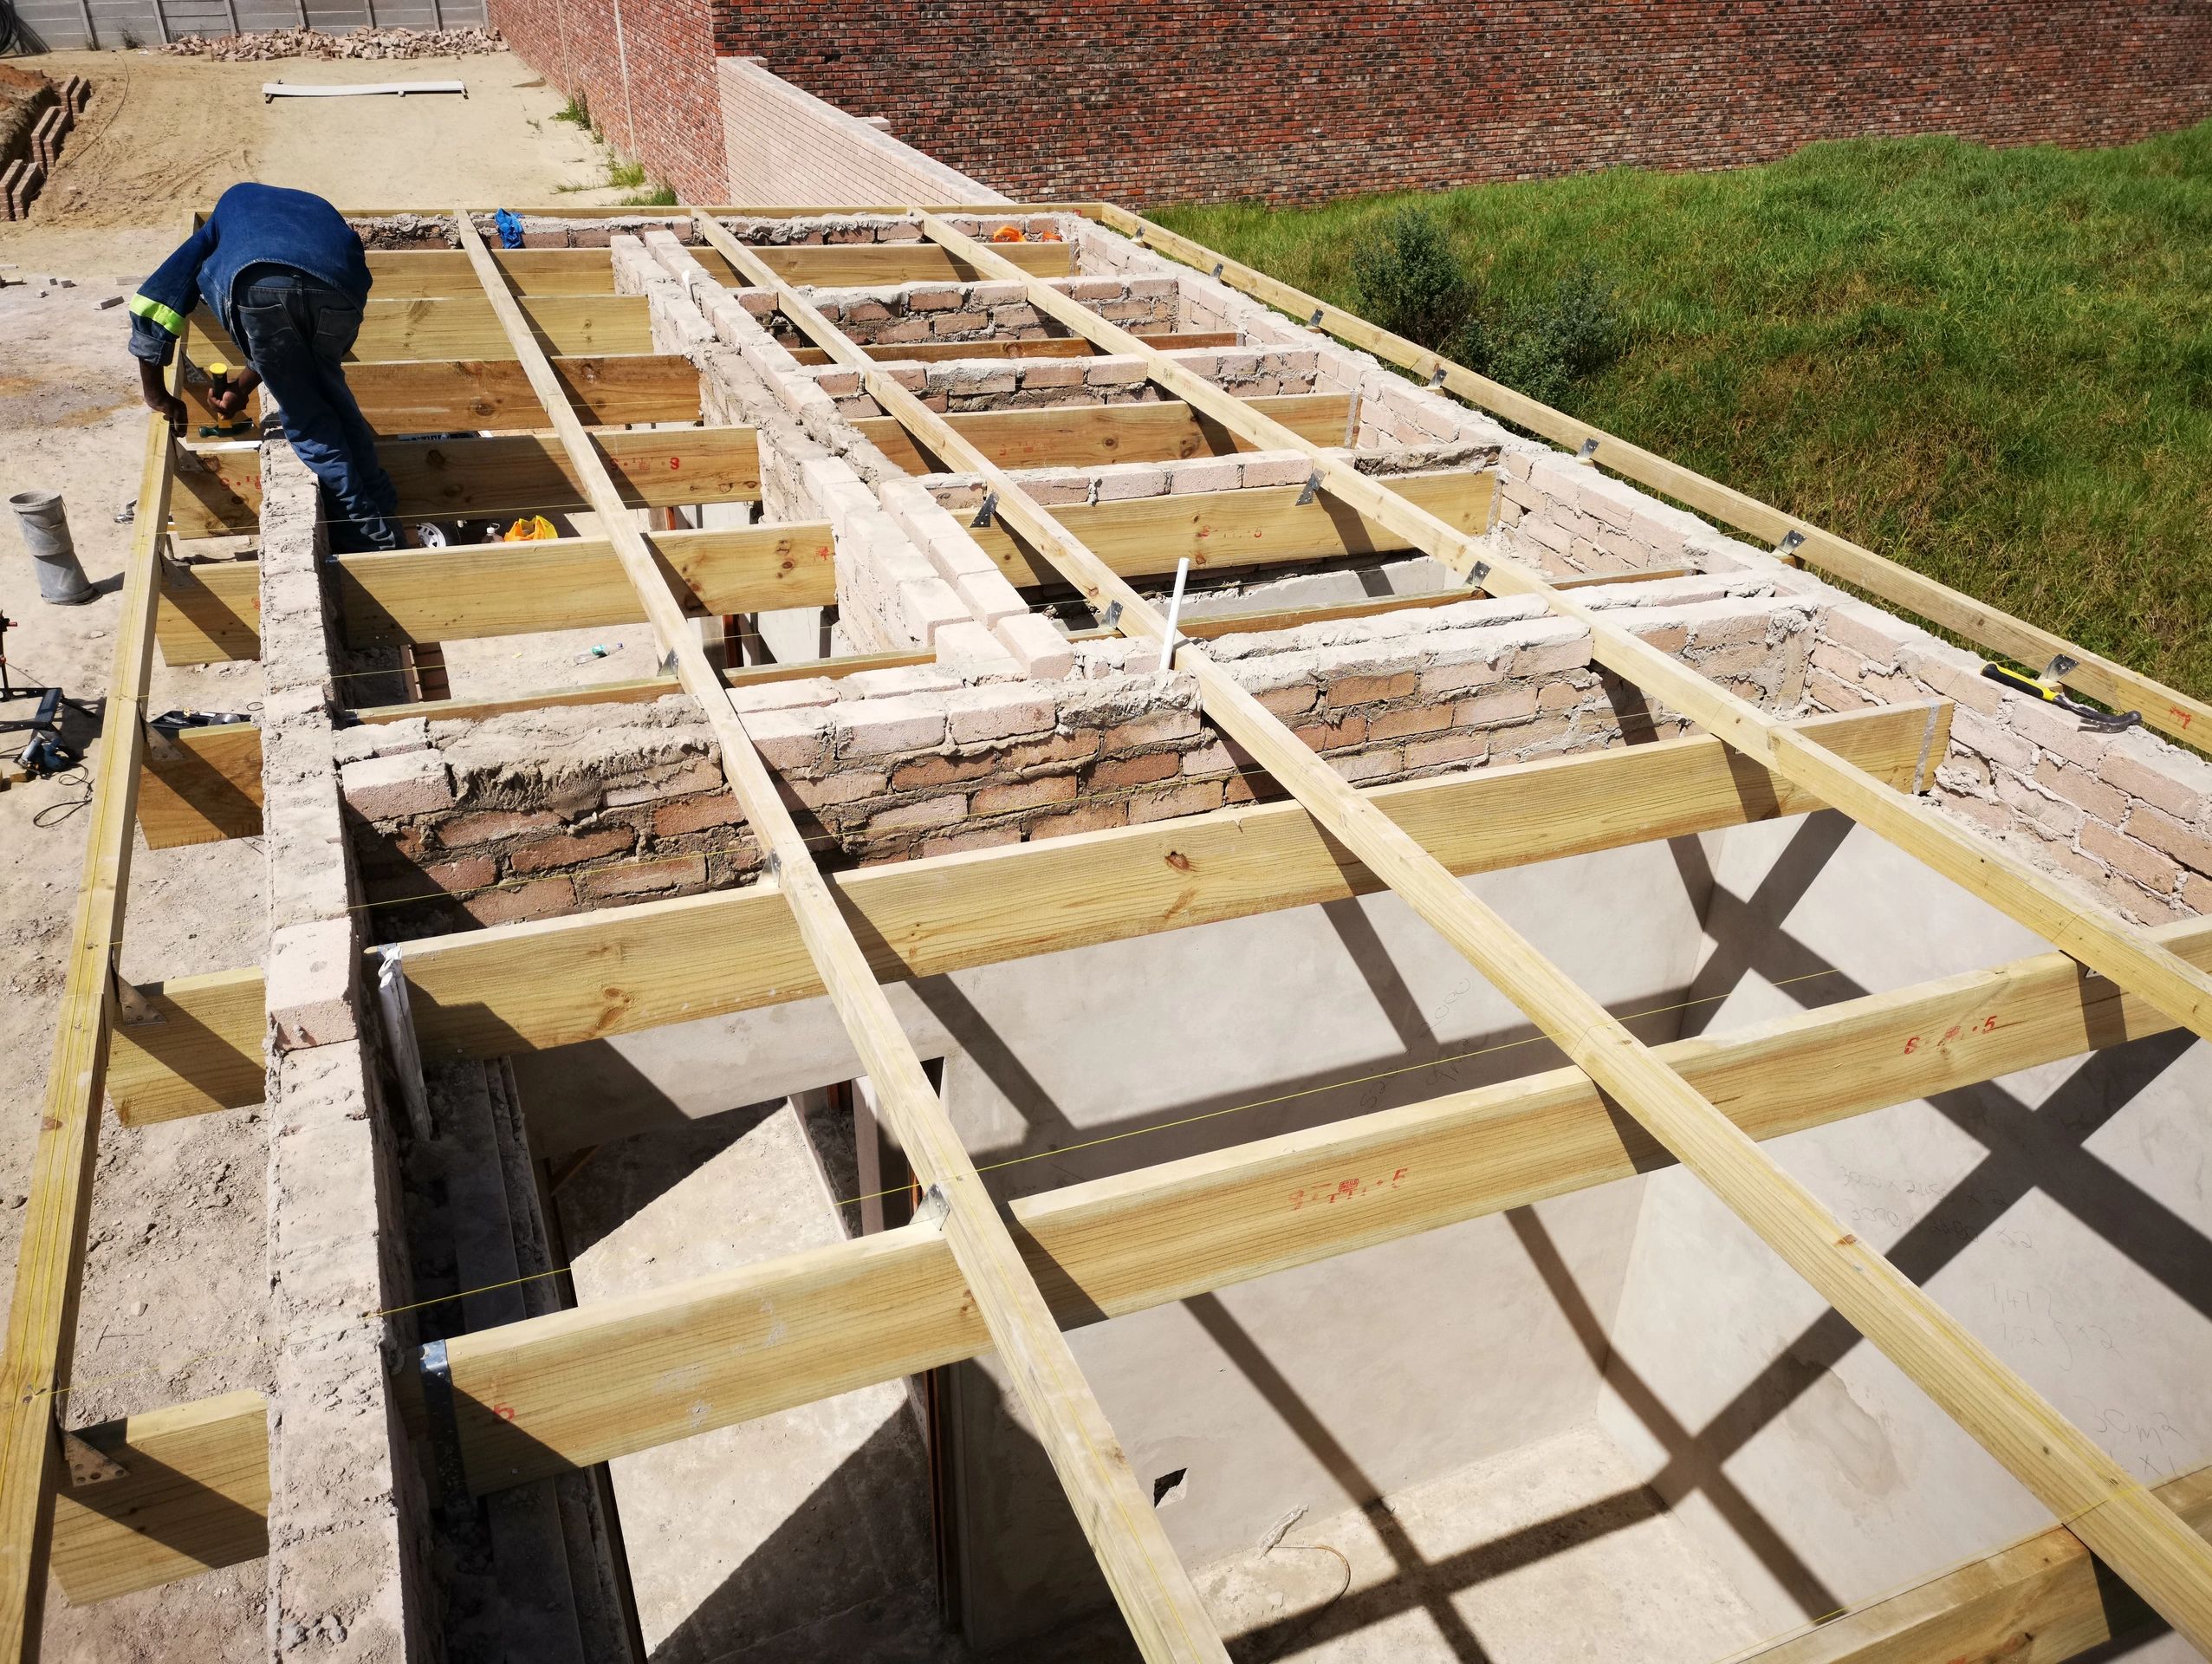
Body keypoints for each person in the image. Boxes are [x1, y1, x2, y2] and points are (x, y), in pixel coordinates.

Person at [128, 183, 405, 552]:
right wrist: (242, 387)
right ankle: (386, 510)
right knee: (335, 401)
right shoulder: (308, 207)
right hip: (341, 287)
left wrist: (157, 395)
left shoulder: (225, 215)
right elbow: (295, 315)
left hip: (259, 281)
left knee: (311, 423)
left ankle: (369, 543)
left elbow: (157, 301)